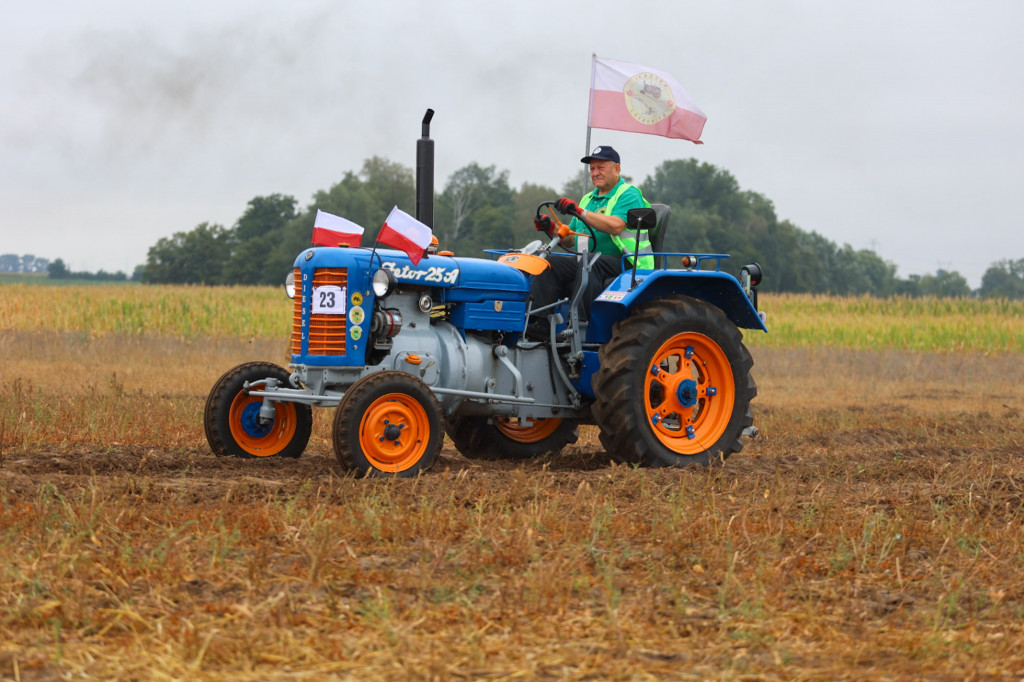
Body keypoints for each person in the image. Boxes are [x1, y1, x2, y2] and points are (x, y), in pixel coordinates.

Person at [528, 145, 652, 337]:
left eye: (600, 168)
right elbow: (570, 240)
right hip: (588, 260)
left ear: (617, 169)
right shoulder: (588, 199)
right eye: (592, 169)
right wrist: (551, 227)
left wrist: (579, 211)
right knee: (547, 262)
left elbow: (616, 226)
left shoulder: (628, 194)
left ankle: (580, 325)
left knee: (591, 262)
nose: (595, 173)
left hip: (627, 263)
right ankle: (539, 325)